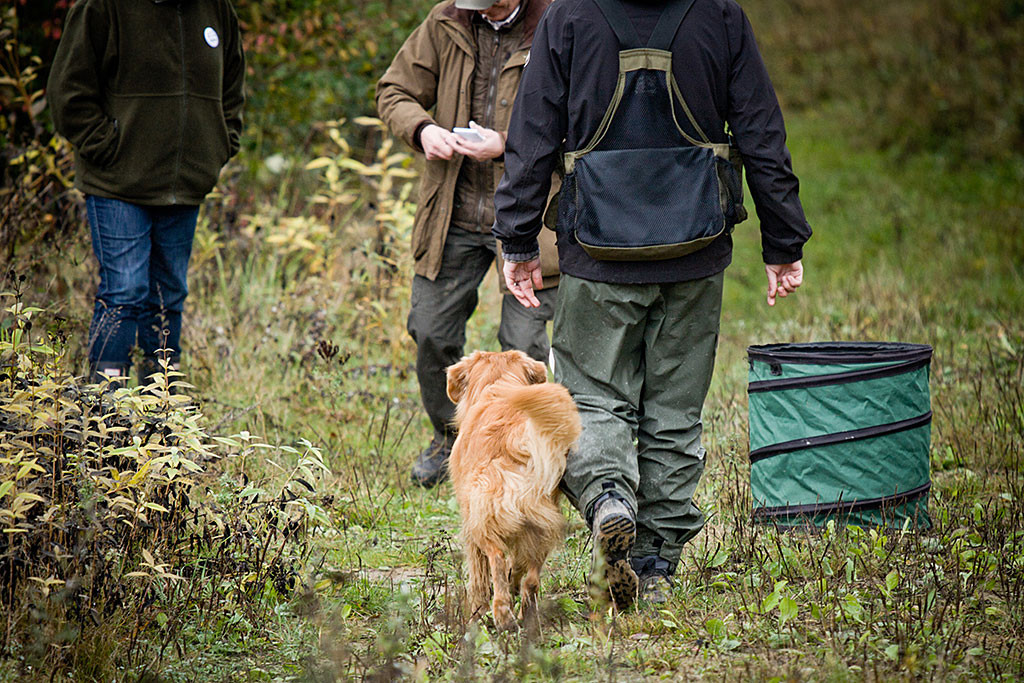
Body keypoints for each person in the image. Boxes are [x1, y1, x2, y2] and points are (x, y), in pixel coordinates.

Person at [493, 0, 811, 607]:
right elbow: (761, 130)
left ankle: (610, 498)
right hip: (695, 250)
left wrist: (517, 238)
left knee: (591, 396)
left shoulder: (569, 17)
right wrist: (783, 238)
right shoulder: (719, 16)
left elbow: (532, 133)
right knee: (675, 410)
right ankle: (657, 562)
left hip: (598, 253)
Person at [376, 0, 561, 488]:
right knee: (431, 330)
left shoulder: (559, 22)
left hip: (530, 220)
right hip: (451, 213)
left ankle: (518, 449)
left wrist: (507, 143)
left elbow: (586, 122)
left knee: (524, 347)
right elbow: (394, 91)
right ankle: (449, 437)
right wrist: (423, 128)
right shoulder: (447, 20)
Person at [47, 0, 245, 385]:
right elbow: (67, 92)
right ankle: (107, 407)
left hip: (185, 185)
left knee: (168, 297)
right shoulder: (101, 7)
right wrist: (108, 147)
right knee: (124, 292)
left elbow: (233, 89)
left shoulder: (217, 10)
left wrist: (219, 144)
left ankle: (162, 412)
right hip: (117, 183)